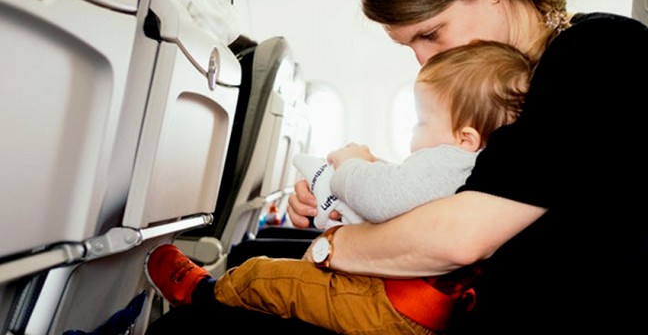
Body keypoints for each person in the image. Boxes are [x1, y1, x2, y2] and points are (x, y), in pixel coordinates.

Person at [147, 0, 648, 333]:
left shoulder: (598, 54)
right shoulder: (500, 87)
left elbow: (459, 236)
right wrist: (345, 190)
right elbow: (470, 188)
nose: (425, 59)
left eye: (431, 33)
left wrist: (335, 245)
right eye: (410, 45)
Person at [145, 40, 532, 334]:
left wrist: (352, 164)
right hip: (412, 305)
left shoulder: (450, 160)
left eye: (419, 124)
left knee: (267, 275)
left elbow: (384, 199)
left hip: (391, 307)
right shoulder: (478, 167)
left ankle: (203, 293)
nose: (414, 135)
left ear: (465, 137)